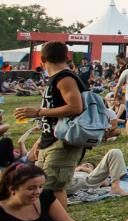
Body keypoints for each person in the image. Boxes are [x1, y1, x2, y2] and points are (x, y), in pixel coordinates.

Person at [15, 42, 88, 209]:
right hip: (51, 141)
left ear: (42, 59)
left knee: (53, 189)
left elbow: (75, 107)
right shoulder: (57, 78)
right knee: (43, 186)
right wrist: (41, 142)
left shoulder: (65, 78)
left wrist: (38, 112)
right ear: (67, 57)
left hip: (63, 142)